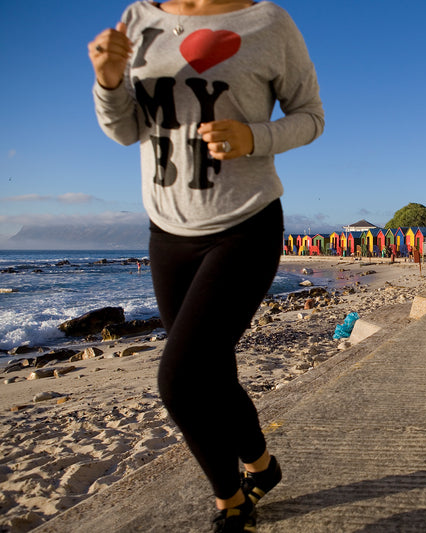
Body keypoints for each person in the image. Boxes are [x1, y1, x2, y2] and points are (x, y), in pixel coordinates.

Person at [88, 1, 324, 531]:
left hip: (246, 224)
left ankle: (232, 501)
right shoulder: (138, 19)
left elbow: (312, 116)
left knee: (180, 379)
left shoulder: (268, 23)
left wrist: (254, 137)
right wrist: (107, 81)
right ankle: (261, 465)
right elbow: (127, 131)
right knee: (212, 373)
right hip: (167, 233)